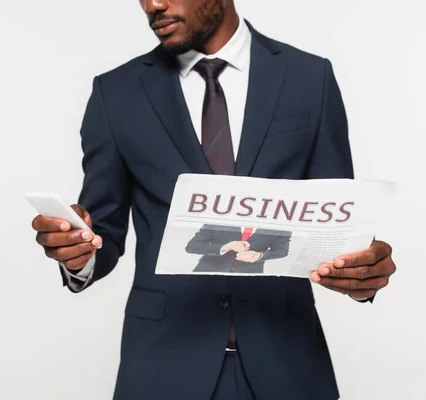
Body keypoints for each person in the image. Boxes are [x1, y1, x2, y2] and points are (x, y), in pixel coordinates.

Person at [31, 1, 397, 399]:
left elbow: (338, 226)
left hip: (287, 365)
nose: (153, 4)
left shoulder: (310, 77)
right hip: (163, 368)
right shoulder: (116, 92)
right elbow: (102, 232)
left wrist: (362, 274)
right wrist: (78, 250)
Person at [185, 225, 291, 273]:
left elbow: (282, 250)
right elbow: (192, 246)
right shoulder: (218, 218)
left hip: (250, 276)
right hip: (207, 272)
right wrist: (225, 247)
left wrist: (260, 255)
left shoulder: (281, 225)